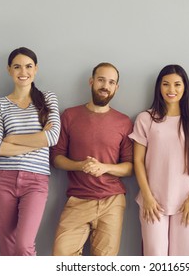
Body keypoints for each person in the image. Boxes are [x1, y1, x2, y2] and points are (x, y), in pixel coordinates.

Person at [129, 64, 189, 256]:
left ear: (185, 87)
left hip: (188, 202)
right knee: (155, 256)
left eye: (177, 84)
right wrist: (148, 197)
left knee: (188, 259)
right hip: (153, 203)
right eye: (166, 84)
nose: (171, 90)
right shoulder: (145, 119)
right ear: (159, 87)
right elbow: (138, 162)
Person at [50, 62, 134, 256]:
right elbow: (56, 158)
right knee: (61, 257)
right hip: (77, 200)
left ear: (116, 87)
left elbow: (130, 167)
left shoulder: (124, 121)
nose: (105, 86)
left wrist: (104, 168)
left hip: (112, 202)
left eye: (111, 82)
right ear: (91, 81)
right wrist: (81, 165)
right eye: (101, 80)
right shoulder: (70, 115)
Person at [0, 47, 60, 256]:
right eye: (17, 66)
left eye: (28, 66)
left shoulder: (48, 99)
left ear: (36, 69)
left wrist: (11, 140)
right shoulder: (0, 104)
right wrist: (39, 140)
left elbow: (52, 137)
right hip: (3, 180)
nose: (23, 72)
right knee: (7, 248)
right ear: (9, 70)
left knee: (23, 245)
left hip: (36, 182)